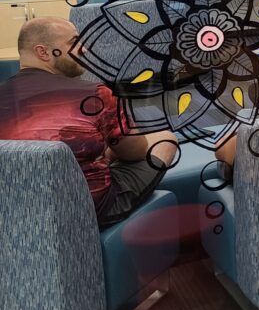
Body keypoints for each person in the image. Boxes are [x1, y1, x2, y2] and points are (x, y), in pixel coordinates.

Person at [0, 17, 178, 227]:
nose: (83, 49)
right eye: (73, 42)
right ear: (43, 52)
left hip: (13, 210)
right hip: (84, 209)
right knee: (165, 138)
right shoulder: (95, 94)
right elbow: (136, 153)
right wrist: (108, 152)